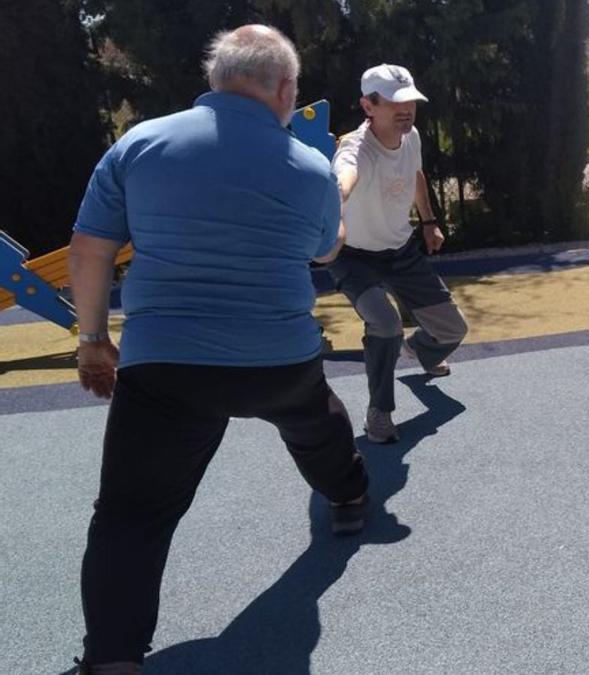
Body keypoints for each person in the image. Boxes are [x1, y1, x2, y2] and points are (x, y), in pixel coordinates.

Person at [68, 25, 370, 674]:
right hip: (278, 362)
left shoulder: (141, 143)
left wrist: (94, 341)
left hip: (168, 370)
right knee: (314, 420)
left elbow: (89, 250)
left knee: (131, 515)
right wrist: (334, 203)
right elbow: (324, 249)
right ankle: (348, 494)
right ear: (286, 90)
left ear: (216, 80)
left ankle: (114, 660)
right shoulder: (311, 167)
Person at [329, 64, 469, 444]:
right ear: (368, 106)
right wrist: (336, 196)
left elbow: (415, 175)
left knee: (454, 329)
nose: (405, 109)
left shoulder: (412, 137)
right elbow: (346, 173)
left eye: (410, 101)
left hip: (401, 248)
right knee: (386, 325)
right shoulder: (353, 148)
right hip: (355, 257)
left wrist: (428, 221)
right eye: (394, 102)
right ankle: (380, 411)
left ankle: (420, 350)